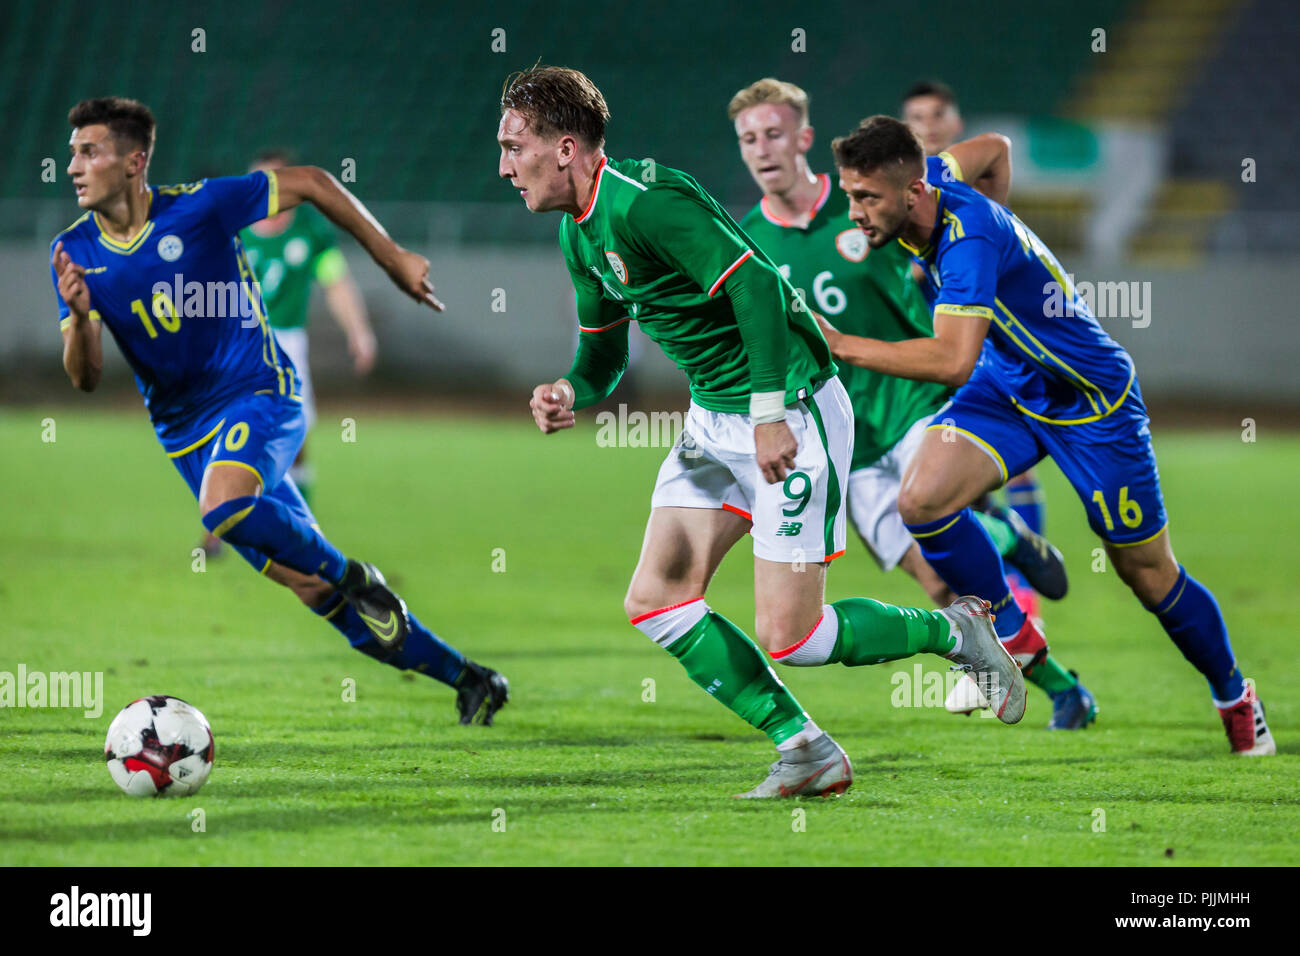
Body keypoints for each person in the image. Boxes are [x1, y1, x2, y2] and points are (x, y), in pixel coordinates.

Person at [499, 66, 1028, 798]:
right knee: (656, 599)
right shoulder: (577, 233)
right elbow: (603, 353)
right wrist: (570, 389)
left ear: (563, 148)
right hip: (716, 422)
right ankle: (805, 748)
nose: (503, 166)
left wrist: (770, 412)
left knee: (795, 637)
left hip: (794, 409)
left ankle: (958, 632)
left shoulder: (646, 206)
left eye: (512, 146)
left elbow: (755, 285)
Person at [820, 115, 1272, 755]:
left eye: (867, 198)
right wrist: (1007, 228)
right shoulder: (941, 178)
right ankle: (1009, 630)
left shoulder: (965, 239)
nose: (856, 212)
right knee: (921, 501)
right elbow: (995, 151)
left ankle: (1234, 696)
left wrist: (843, 346)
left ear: (914, 192)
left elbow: (951, 361)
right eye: (849, 195)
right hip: (1009, 386)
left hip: (1091, 403)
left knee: (1145, 572)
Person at [50, 97, 507, 725]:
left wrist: (390, 257)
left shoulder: (202, 207)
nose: (72, 166)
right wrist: (77, 318)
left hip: (261, 392)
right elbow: (85, 378)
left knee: (225, 507)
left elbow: (315, 183)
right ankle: (468, 677)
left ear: (133, 162)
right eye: (72, 153)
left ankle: (356, 572)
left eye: (88, 152)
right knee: (313, 588)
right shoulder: (75, 253)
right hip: (183, 436)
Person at [729, 78, 1096, 729]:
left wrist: (987, 228)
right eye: (749, 138)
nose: (763, 148)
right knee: (941, 591)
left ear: (804, 139)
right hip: (846, 438)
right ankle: (1059, 675)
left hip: (917, 400)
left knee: (938, 515)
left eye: (774, 133)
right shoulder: (747, 241)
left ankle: (1005, 554)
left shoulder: (875, 197)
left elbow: (988, 152)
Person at [902, 80, 1051, 625]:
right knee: (936, 487)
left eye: (937, 113)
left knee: (1002, 472)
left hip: (976, 354)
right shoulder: (899, 203)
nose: (928, 123)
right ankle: (1005, 552)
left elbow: (998, 148)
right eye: (916, 116)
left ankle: (1011, 594)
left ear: (954, 123)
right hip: (921, 360)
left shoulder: (958, 195)